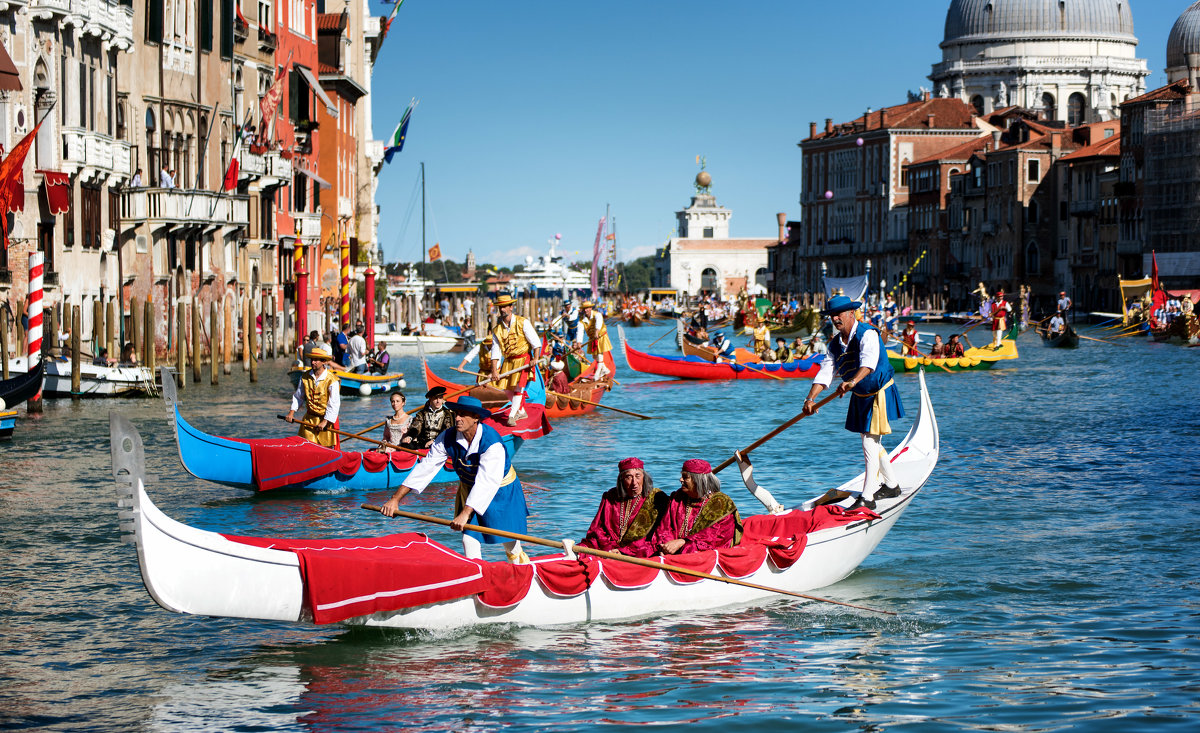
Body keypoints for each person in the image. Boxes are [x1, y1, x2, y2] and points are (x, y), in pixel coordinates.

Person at [380, 396, 530, 563]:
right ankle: (476, 580)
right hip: (471, 491)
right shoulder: (447, 437)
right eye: (456, 413)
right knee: (469, 539)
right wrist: (395, 499)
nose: (457, 418)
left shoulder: (492, 443)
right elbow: (425, 468)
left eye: (463, 414)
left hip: (502, 491)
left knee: (509, 542)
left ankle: (520, 569)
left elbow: (486, 482)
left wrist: (465, 514)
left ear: (476, 418)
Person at [801, 295, 903, 510]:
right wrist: (810, 399)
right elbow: (826, 373)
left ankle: (867, 497)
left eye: (839, 314)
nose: (836, 318)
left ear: (851, 313)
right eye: (832, 315)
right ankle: (892, 485)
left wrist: (852, 381)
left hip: (879, 391)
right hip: (860, 395)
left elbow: (869, 363)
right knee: (872, 443)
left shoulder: (868, 334)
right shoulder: (834, 345)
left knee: (869, 442)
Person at [577, 457, 670, 557]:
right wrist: (610, 549)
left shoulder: (657, 498)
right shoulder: (610, 497)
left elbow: (657, 537)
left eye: (637, 476)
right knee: (584, 549)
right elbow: (597, 529)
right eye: (628, 477)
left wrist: (623, 551)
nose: (634, 482)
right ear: (621, 479)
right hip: (609, 548)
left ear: (644, 477)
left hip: (638, 551)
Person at [648, 459, 741, 555]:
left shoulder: (721, 503)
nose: (681, 480)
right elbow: (665, 526)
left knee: (689, 549)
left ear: (698, 480)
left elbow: (714, 537)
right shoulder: (678, 497)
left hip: (702, 552)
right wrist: (665, 546)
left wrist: (682, 542)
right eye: (681, 476)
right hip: (672, 550)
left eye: (685, 477)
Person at [489, 293, 542, 426]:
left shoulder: (523, 322)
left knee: (519, 388)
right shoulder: (497, 329)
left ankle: (512, 416)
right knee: (506, 389)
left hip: (523, 359)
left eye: (505, 306)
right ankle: (521, 410)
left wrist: (535, 359)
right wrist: (494, 370)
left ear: (511, 307)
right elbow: (495, 352)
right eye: (500, 307)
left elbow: (536, 343)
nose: (502, 309)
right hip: (508, 361)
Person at [285, 347, 341, 447]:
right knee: (305, 448)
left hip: (325, 421)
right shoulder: (305, 376)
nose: (313, 362)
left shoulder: (332, 380)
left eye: (316, 360)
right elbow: (298, 396)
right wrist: (291, 413)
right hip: (309, 420)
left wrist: (325, 422)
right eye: (312, 359)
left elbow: (334, 403)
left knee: (325, 451)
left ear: (323, 361)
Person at [574, 300, 612, 382]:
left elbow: (599, 323)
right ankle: (605, 369)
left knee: (599, 355)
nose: (586, 310)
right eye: (584, 309)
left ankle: (598, 373)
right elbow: (580, 331)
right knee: (595, 356)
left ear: (590, 308)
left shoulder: (597, 315)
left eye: (587, 308)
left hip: (600, 337)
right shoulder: (582, 321)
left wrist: (597, 332)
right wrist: (579, 342)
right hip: (592, 338)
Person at [378, 389, 411, 453]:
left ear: (403, 403)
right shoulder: (388, 420)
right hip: (389, 448)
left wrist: (408, 439)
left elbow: (412, 436)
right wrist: (384, 442)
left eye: (397, 401)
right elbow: (386, 437)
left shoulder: (410, 419)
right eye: (393, 401)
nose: (395, 404)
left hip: (403, 449)